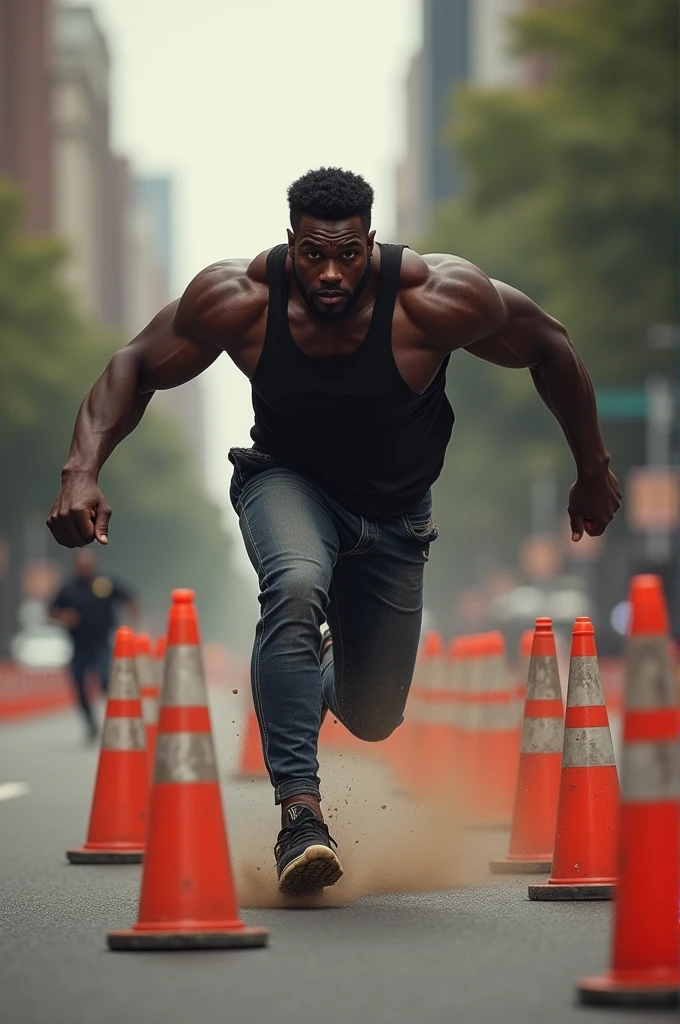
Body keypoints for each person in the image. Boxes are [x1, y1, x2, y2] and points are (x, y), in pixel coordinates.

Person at [46, 167, 621, 894]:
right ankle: (301, 816)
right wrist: (81, 468)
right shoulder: (239, 298)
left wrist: (592, 467)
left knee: (372, 714)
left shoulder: (437, 298)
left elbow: (551, 346)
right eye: (312, 255)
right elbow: (134, 365)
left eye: (346, 255)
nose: (328, 273)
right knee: (293, 584)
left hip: (397, 515)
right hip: (288, 483)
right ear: (291, 245)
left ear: (371, 244)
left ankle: (317, 664)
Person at [49, 551, 137, 741]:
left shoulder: (104, 583)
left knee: (106, 679)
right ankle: (90, 724)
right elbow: (51, 611)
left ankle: (117, 719)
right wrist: (63, 616)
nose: (85, 568)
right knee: (79, 685)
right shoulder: (69, 588)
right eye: (81, 564)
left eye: (88, 564)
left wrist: (132, 623)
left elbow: (130, 597)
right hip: (79, 645)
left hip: (101, 643)